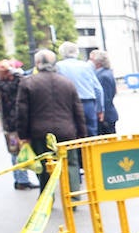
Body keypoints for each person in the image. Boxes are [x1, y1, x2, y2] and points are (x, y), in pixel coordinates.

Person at [15, 49, 86, 202]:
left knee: (44, 165)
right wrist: (82, 133)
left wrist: (23, 135)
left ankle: (47, 198)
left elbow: (22, 112)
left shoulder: (27, 83)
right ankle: (72, 197)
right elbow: (77, 109)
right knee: (71, 164)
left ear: (37, 64)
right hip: (67, 132)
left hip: (40, 132)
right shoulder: (67, 82)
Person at [0, 61, 33, 190]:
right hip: (15, 124)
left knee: (14, 152)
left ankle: (19, 179)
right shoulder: (11, 85)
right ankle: (22, 180)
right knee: (17, 152)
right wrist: (16, 73)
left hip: (8, 125)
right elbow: (21, 82)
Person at [56, 41, 103, 137]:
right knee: (91, 135)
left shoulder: (58, 67)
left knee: (72, 135)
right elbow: (98, 89)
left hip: (68, 104)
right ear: (77, 52)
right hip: (88, 103)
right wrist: (100, 109)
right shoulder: (86, 66)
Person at [90, 50, 119, 134]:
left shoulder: (103, 76)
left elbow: (106, 98)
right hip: (106, 115)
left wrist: (100, 112)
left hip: (105, 117)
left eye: (91, 60)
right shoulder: (104, 74)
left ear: (98, 62)